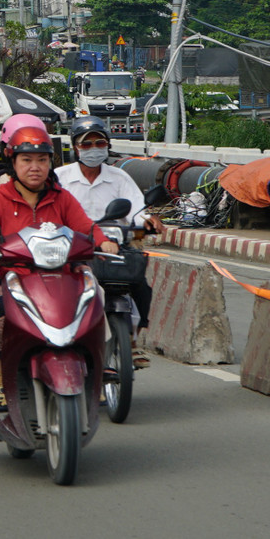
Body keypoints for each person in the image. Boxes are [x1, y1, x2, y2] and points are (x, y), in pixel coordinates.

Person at [0, 120, 117, 410]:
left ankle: (97, 362)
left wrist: (103, 241)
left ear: (51, 163)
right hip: (10, 276)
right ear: (12, 162)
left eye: (42, 160)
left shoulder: (62, 198)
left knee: (94, 291)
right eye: (26, 160)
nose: (35, 167)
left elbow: (85, 228)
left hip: (60, 275)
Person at [54, 115, 161, 363]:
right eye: (87, 144)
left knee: (139, 280)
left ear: (108, 146)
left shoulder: (119, 177)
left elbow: (136, 211)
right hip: (72, 246)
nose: (93, 149)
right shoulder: (60, 178)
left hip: (114, 243)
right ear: (75, 147)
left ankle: (133, 336)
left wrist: (147, 222)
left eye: (99, 144)